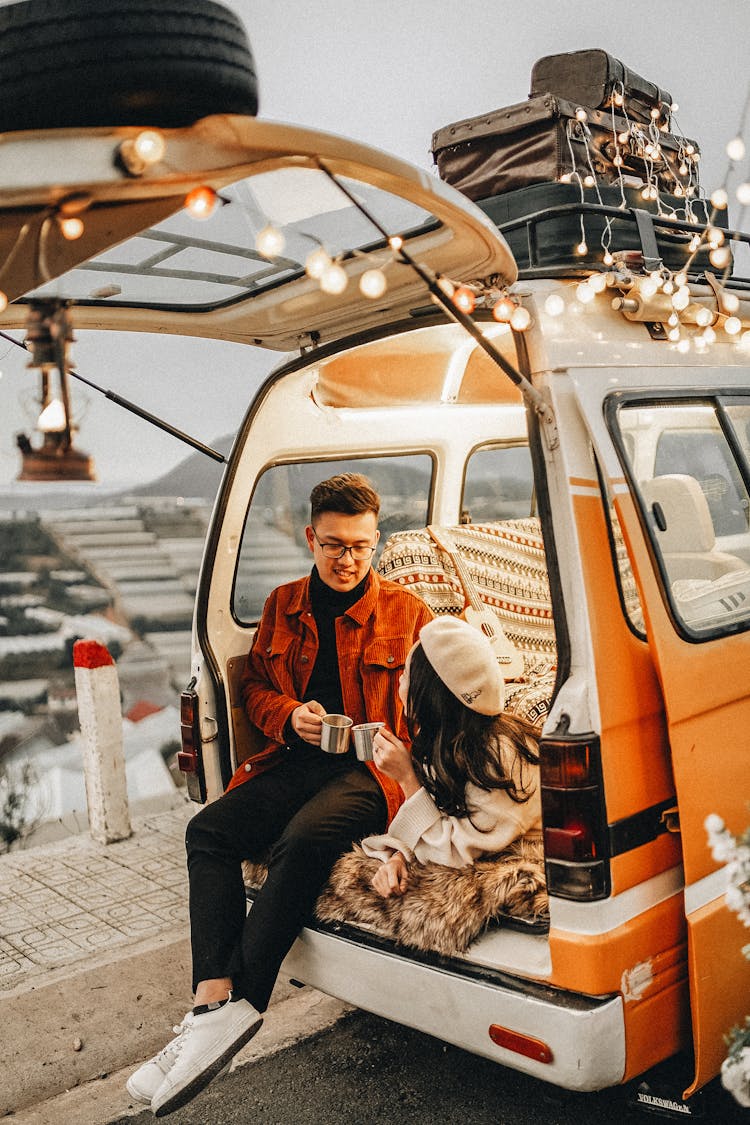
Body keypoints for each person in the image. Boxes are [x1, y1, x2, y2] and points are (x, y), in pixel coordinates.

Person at [127, 473, 433, 1117]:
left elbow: (431, 713)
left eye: (360, 546)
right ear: (309, 539)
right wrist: (290, 716)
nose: (347, 560)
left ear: (376, 540)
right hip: (294, 758)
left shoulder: (408, 615)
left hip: (371, 774)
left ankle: (236, 1006)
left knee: (303, 839)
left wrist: (401, 756)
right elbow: (257, 690)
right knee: (206, 833)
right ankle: (215, 1002)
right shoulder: (282, 604)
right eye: (333, 546)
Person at [359, 615, 541, 899]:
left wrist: (407, 779)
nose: (400, 679)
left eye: (407, 673)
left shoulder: (499, 755)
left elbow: (455, 851)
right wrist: (399, 858)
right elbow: (438, 816)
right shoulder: (447, 739)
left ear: (432, 694)